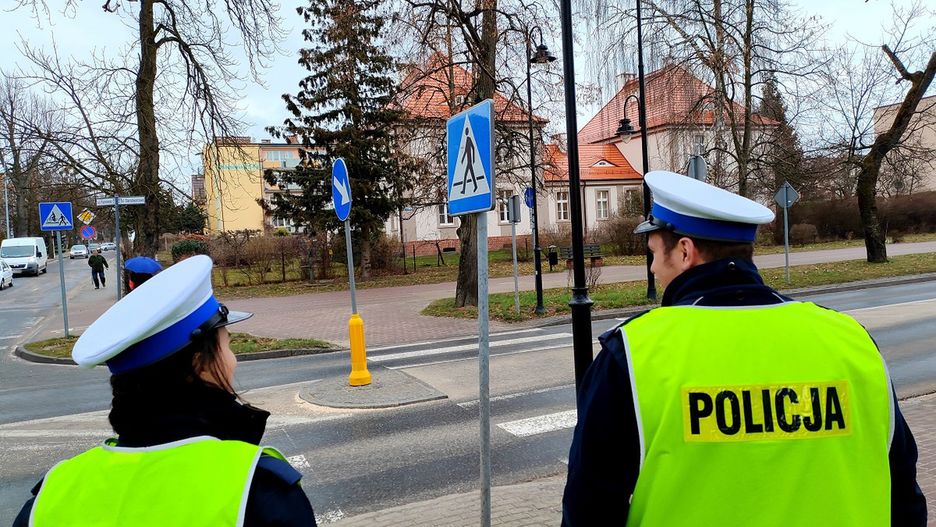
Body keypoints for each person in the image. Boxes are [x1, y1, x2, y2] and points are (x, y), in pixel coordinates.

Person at [562, 171, 926, 526]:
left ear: (685, 251)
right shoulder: (850, 340)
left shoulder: (634, 352)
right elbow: (903, 493)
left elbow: (590, 507)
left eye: (655, 253)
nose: (654, 268)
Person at [15, 255, 317, 526]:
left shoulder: (51, 495)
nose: (234, 362)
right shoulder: (258, 490)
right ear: (201, 365)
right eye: (228, 346)